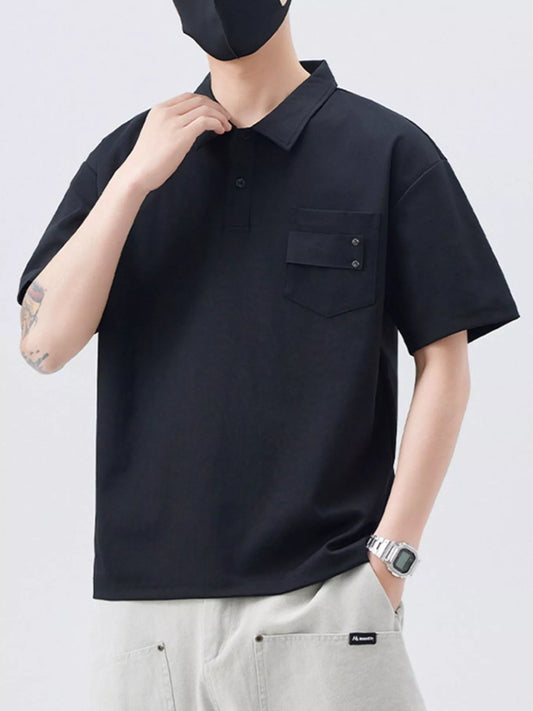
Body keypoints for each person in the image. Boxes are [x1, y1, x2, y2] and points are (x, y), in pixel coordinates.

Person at [16, 1, 520, 709]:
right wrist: (132, 183)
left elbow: (444, 362)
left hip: (325, 601)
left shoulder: (387, 150)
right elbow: (42, 346)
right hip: (145, 621)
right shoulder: (126, 156)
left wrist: (388, 562)